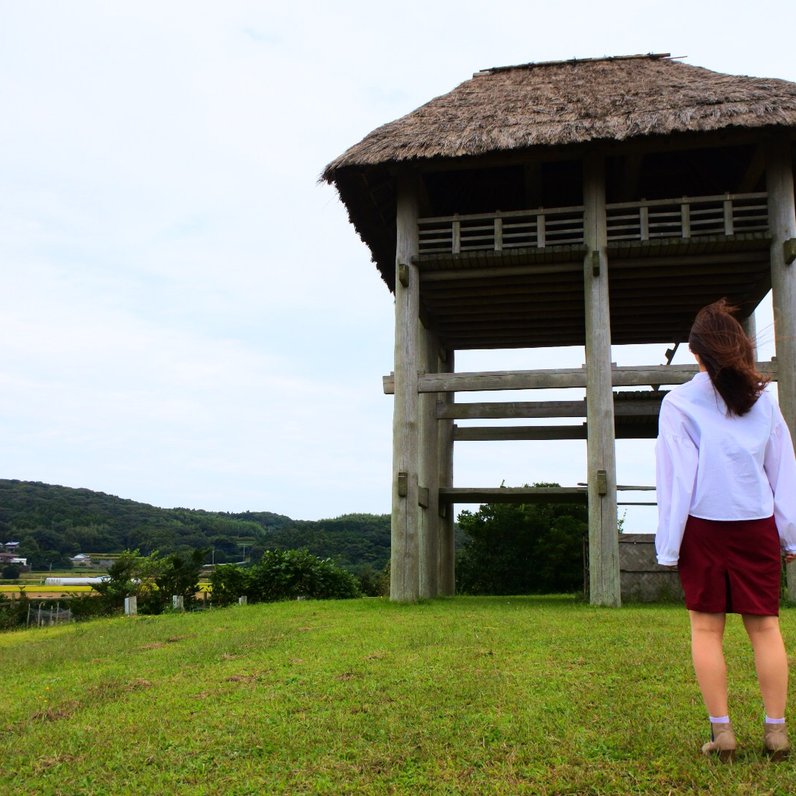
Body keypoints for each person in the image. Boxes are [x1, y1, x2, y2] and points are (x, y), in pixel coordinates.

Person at [655, 299, 796, 761]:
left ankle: (723, 734)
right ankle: (775, 733)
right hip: (756, 526)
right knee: (766, 628)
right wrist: (790, 536)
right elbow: (783, 473)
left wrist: (669, 547)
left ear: (697, 354)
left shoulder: (677, 403)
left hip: (702, 528)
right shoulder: (764, 401)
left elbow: (677, 481)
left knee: (706, 630)